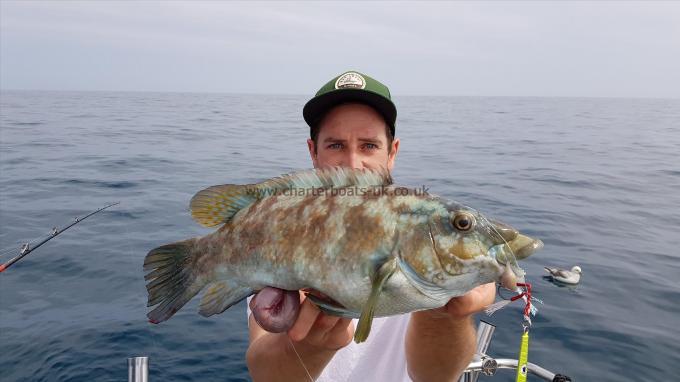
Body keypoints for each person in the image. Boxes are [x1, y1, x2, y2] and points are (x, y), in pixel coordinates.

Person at [246, 71, 496, 381]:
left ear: (392, 153)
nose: (353, 164)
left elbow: (434, 377)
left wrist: (446, 315)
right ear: (313, 152)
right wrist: (313, 346)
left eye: (368, 146)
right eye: (336, 145)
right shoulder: (284, 232)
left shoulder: (430, 234)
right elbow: (264, 374)